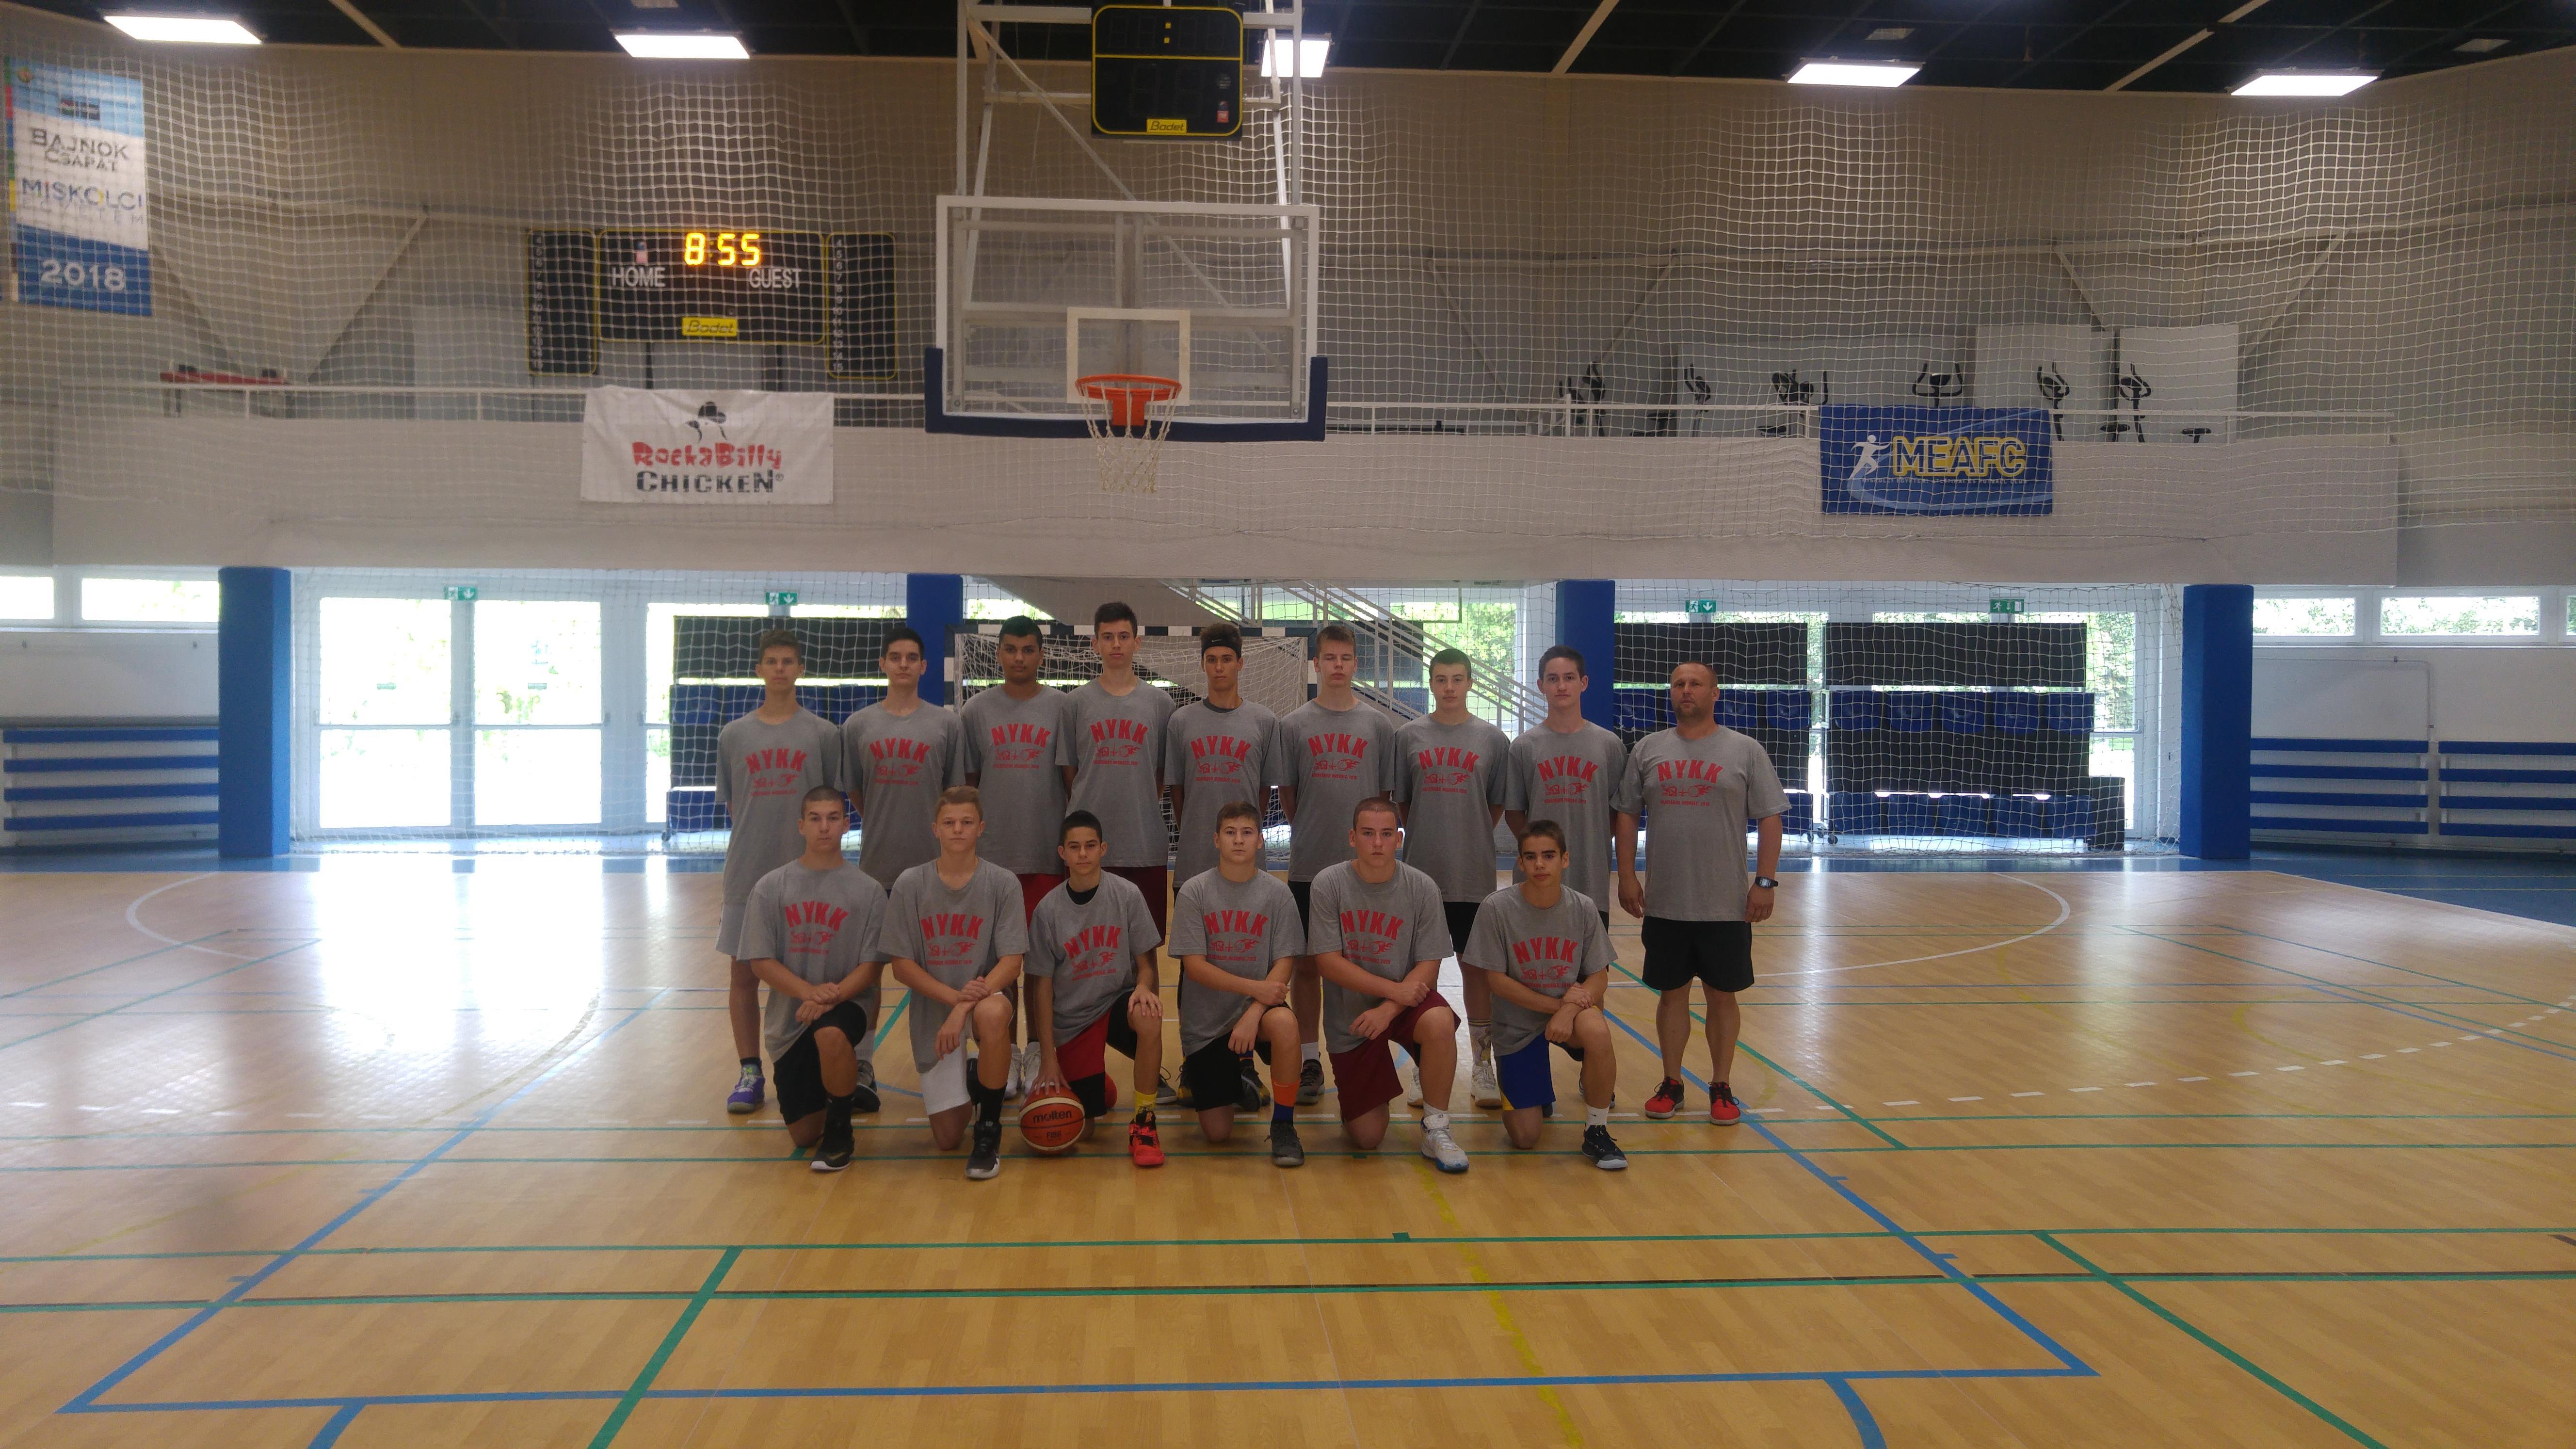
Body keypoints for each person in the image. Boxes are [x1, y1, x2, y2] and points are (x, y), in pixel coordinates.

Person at [1613, 660, 1786, 1127]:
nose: (1686, 690)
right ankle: (1672, 1082)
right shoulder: (1648, 749)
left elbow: (1771, 816)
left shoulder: (1745, 750)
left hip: (1726, 904)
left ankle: (1721, 1085)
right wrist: (1626, 875)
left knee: (1722, 997)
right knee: (1671, 996)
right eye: (1678, 684)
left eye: (1695, 684)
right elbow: (1627, 814)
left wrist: (1765, 881)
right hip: (1665, 902)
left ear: (1715, 693)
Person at [714, 628, 847, 1116]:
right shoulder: (733, 736)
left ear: (800, 669)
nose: (779, 669)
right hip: (748, 870)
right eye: (771, 661)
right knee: (743, 972)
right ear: (759, 669)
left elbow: (830, 805)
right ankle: (750, 1071)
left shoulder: (823, 734)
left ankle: (821, 1068)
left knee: (815, 972)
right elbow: (735, 807)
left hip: (810, 874)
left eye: (788, 661)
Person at [1271, 623, 1399, 1106]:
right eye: (1330, 658)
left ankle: (1361, 1054)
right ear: (1316, 664)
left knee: (1361, 966)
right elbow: (1289, 797)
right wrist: (1313, 831)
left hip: (1365, 871)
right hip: (1309, 865)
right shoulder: (1293, 725)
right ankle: (1310, 1059)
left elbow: (1381, 800)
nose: (1338, 665)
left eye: (1346, 658)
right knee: (1307, 968)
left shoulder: (1378, 726)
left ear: (1355, 664)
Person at [838, 624, 964, 1109]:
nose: (904, 664)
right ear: (883, 664)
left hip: (935, 872)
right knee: (868, 971)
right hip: (877, 871)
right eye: (896, 657)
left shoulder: (946, 725)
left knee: (942, 969)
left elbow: (954, 797)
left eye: (912, 657)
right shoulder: (858, 726)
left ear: (924, 666)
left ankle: (951, 1061)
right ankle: (862, 1063)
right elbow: (855, 791)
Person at [1308, 796, 1467, 1172]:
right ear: (1352, 837)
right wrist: (1392, 992)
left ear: (1399, 838)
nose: (1377, 843)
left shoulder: (1422, 887)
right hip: (1353, 1018)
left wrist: (1391, 1007)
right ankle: (1360, 1101)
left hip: (1406, 1004)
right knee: (1367, 1136)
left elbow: (1430, 963)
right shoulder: (1329, 884)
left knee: (1440, 1021)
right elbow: (1328, 963)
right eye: (1368, 834)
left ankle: (1437, 1128)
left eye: (1386, 834)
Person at [733, 788, 888, 1172]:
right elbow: (760, 962)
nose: (824, 827)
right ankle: (835, 1092)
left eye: (833, 818)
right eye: (816, 819)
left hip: (848, 1003)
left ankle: (841, 1133)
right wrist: (809, 993)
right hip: (793, 1017)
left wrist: (829, 998)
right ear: (801, 826)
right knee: (803, 1134)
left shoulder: (868, 890)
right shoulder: (770, 887)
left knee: (831, 1034)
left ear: (846, 825)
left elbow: (872, 967)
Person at [880, 787, 1030, 1180]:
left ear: (981, 828)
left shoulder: (1003, 883)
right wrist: (954, 1001)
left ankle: (988, 1131)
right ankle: (976, 1078)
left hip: (984, 998)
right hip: (936, 1006)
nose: (958, 829)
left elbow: (1012, 962)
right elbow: (901, 966)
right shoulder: (911, 884)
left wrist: (964, 1007)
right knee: (946, 1138)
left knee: (993, 1014)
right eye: (949, 823)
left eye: (966, 822)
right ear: (936, 829)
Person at [1461, 821, 1626, 1169]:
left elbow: (1599, 975)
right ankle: (1536, 1094)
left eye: (1549, 856)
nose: (1540, 864)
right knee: (1525, 1137)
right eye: (1531, 857)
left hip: (1569, 1016)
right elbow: (1496, 982)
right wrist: (1559, 1007)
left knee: (1597, 1029)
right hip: (1517, 1025)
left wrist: (1567, 1013)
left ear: (1565, 860)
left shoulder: (1583, 907)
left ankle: (1597, 1130)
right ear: (1520, 863)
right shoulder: (1496, 908)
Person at [1063, 601, 1176, 1101]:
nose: (1115, 644)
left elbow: (1161, 775)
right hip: (1090, 856)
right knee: (1090, 962)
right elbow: (1071, 774)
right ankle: (1084, 1060)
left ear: (1137, 642)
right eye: (1106, 636)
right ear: (1095, 644)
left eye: (1123, 636)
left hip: (1144, 846)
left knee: (1143, 962)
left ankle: (1151, 1073)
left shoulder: (1160, 704)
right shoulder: (1075, 704)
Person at [1164, 621, 1278, 1113]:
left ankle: (1244, 1062)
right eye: (1211, 660)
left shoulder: (1264, 721)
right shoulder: (1181, 722)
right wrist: (1200, 835)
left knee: (1247, 961)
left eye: (1226, 659)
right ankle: (1196, 1062)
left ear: (1240, 664)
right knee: (1195, 970)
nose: (1218, 668)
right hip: (1196, 863)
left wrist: (1243, 844)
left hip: (1248, 868)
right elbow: (1177, 792)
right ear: (1203, 665)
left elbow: (1264, 794)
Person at [958, 614, 1071, 1099]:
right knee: (995, 964)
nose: (1019, 658)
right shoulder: (976, 711)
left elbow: (1072, 783)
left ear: (1041, 654)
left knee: (1042, 965)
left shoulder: (1062, 707)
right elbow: (968, 788)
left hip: (1045, 856)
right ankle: (1001, 1051)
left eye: (1028, 649)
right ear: (999, 653)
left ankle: (1038, 1048)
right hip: (993, 861)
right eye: (1010, 649)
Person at [1394, 647, 1513, 1109]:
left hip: (1472, 873)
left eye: (1457, 679)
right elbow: (1404, 803)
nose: (1449, 687)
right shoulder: (1408, 736)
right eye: (1441, 679)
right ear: (1431, 683)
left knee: (1475, 970)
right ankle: (1423, 1064)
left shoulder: (1493, 739)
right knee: (1419, 973)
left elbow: (1495, 805)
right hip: (1420, 876)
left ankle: (1483, 1065)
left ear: (1470, 683)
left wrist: (1467, 832)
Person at [1024, 812, 1168, 1167]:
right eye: (1074, 847)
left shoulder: (1127, 895)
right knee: (1081, 1130)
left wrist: (1144, 988)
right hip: (1074, 1021)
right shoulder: (1047, 911)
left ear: (1103, 849)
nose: (1083, 854)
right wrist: (1048, 1058)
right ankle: (1098, 1085)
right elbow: (1041, 990)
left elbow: (1147, 965)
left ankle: (1144, 1123)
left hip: (1116, 1001)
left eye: (1090, 846)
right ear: (1062, 853)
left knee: (1148, 1015)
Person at [1169, 801, 1307, 1166]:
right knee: (1218, 1134)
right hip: (1208, 1023)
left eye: (1247, 833)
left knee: (1285, 1024)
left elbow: (1285, 962)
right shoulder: (1195, 892)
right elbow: (1195, 968)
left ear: (1260, 841)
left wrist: (1255, 1011)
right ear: (1217, 840)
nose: (1239, 840)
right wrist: (1255, 989)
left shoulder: (1278, 894)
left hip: (1256, 1015)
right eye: (1230, 833)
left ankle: (1284, 1125)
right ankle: (1237, 1081)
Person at [1504, 644, 1630, 939]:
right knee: (1532, 959)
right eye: (1553, 679)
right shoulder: (1524, 746)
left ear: (1583, 683)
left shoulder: (1609, 746)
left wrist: (1592, 840)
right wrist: (1540, 851)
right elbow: (1514, 812)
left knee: (1588, 964)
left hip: (1590, 879)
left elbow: (1619, 813)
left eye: (1569, 678)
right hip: (1535, 880)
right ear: (1541, 686)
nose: (1561, 686)